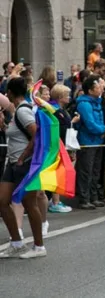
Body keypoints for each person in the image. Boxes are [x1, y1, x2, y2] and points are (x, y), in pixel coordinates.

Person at [0, 77, 47, 258]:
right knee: (3, 202)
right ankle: (17, 243)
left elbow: (36, 133)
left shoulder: (23, 111)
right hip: (12, 164)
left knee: (30, 203)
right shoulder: (17, 110)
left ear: (11, 93)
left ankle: (39, 246)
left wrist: (23, 156)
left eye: (7, 92)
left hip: (25, 163)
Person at [75, 75, 105, 210]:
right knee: (86, 171)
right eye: (97, 87)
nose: (100, 88)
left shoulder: (96, 102)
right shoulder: (84, 104)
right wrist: (103, 129)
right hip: (87, 141)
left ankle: (93, 197)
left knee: (95, 171)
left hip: (98, 141)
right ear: (90, 90)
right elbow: (90, 124)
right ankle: (84, 198)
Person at [48, 84, 75, 213]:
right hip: (56, 145)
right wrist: (72, 122)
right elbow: (61, 128)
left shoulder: (61, 109)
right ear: (59, 97)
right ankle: (55, 201)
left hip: (62, 145)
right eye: (66, 95)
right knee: (56, 173)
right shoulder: (54, 110)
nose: (69, 97)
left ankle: (56, 200)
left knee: (59, 172)